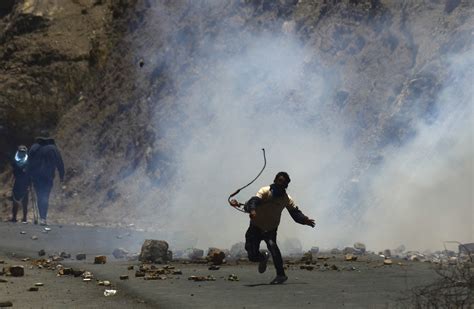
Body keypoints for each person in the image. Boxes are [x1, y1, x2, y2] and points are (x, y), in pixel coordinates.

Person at [232, 172, 315, 284]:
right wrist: (252, 210)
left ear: (286, 186)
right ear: (275, 181)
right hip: (255, 226)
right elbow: (254, 201)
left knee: (273, 247)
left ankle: (281, 275)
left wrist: (304, 220)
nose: (281, 184)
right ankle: (263, 257)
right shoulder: (265, 191)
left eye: (284, 183)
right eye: (279, 181)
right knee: (251, 254)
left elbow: (295, 213)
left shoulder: (286, 199)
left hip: (270, 228)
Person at [28, 136, 64, 226]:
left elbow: (28, 162)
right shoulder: (53, 149)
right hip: (48, 177)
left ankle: (42, 217)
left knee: (40, 196)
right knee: (45, 196)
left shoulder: (34, 147)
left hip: (36, 177)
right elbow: (59, 162)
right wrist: (61, 175)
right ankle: (43, 218)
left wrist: (28, 176)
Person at [11, 145, 30, 223]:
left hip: (20, 183)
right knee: (22, 201)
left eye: (23, 151)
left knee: (19, 200)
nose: (22, 153)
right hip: (22, 183)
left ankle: (17, 217)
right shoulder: (27, 160)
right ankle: (21, 217)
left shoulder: (15, 160)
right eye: (21, 151)